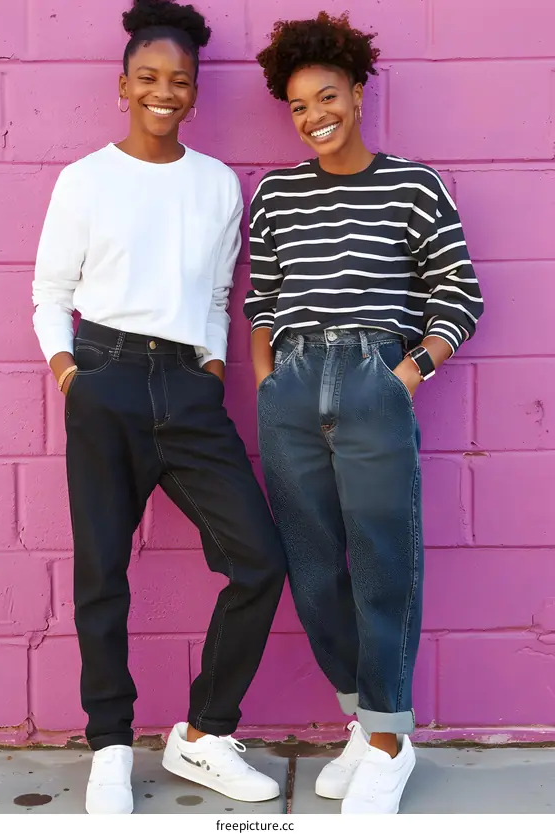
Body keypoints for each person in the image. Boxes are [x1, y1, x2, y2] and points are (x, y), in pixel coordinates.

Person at [32, 0, 285, 815]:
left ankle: (205, 735)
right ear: (123, 85)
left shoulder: (217, 186)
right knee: (102, 573)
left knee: (259, 559)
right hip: (102, 377)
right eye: (148, 78)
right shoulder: (85, 179)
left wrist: (210, 366)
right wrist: (72, 373)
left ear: (196, 89)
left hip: (187, 387)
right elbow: (49, 295)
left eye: (179, 80)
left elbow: (216, 293)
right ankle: (110, 744)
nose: (163, 92)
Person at [246, 11, 483, 815]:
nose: (315, 116)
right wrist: (268, 382)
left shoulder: (413, 184)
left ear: (356, 92)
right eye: (299, 105)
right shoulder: (275, 194)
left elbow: (460, 296)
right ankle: (366, 718)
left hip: (374, 375)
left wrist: (405, 374)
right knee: (313, 572)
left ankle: (387, 742)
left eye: (328, 96)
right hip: (291, 391)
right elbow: (263, 303)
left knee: (383, 564)